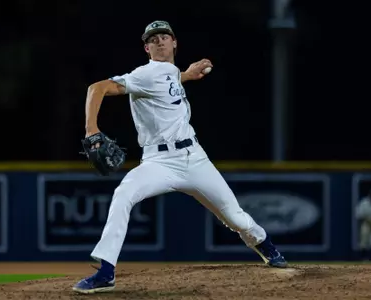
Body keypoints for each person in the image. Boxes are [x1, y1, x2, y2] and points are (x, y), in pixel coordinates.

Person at [72, 20, 288, 294]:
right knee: (124, 194)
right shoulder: (144, 74)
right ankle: (105, 271)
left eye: (165, 36)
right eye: (154, 39)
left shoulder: (170, 72)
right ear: (147, 48)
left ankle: (268, 248)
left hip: (194, 158)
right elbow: (96, 88)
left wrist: (185, 74)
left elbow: (168, 81)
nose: (160, 41)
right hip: (158, 163)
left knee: (235, 217)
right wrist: (92, 131)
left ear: (175, 43)